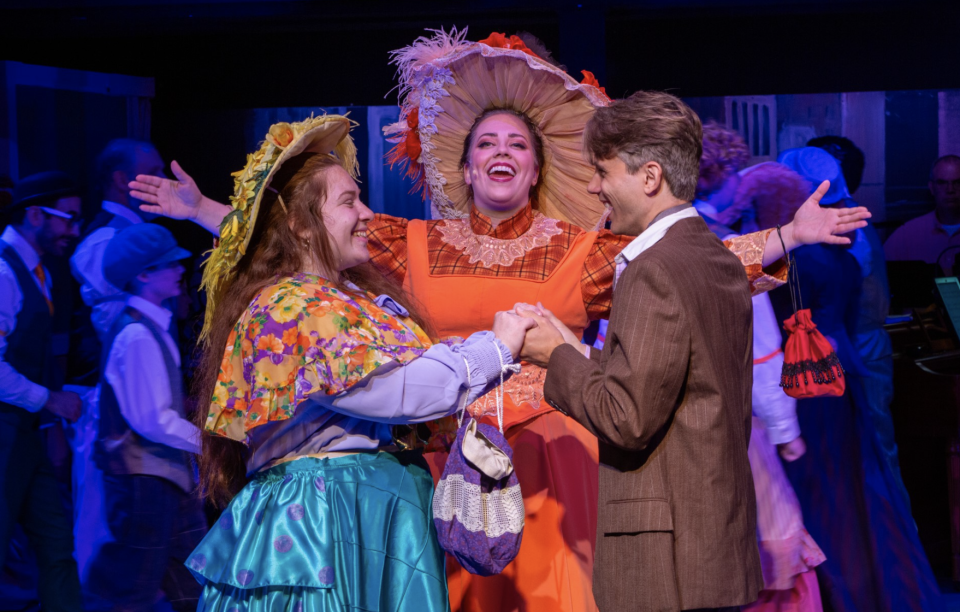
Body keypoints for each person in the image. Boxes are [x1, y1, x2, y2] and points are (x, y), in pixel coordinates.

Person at [129, 31, 869, 612]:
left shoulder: (582, 252)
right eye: (488, 143)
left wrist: (787, 238)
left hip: (557, 458)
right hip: (445, 459)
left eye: (518, 143)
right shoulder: (407, 242)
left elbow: (684, 265)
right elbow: (302, 236)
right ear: (465, 166)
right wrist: (200, 211)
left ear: (539, 167)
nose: (502, 152)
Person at [181, 115, 533, 612]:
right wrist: (492, 349)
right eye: (348, 201)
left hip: (370, 507)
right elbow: (396, 392)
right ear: (300, 225)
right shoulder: (294, 307)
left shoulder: (345, 299)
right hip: (325, 518)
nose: (368, 212)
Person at [513, 90, 769, 612]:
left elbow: (628, 417)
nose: (592, 186)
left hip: (667, 557)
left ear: (649, 177)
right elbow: (675, 385)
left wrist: (551, 358)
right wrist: (574, 348)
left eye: (603, 172)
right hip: (710, 542)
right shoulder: (713, 256)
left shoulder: (652, 269)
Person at [759, 158, 945, 612]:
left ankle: (836, 592)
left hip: (808, 375)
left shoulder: (795, 257)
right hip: (843, 366)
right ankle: (872, 589)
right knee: (857, 486)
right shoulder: (842, 246)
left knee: (819, 491)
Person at [696, 127, 826, 612]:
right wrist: (785, 429)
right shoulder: (733, 248)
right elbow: (760, 350)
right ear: (721, 176)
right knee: (768, 547)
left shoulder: (644, 242)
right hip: (734, 422)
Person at [80, 223, 206, 611]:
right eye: (168, 264)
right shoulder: (135, 335)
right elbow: (152, 420)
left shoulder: (153, 326)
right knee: (130, 588)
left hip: (165, 477)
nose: (180, 269)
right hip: (143, 481)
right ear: (143, 275)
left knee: (192, 578)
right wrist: (210, 442)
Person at [788, 143, 903, 496]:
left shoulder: (845, 227)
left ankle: (890, 543)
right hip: (847, 351)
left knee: (874, 456)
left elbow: (846, 285)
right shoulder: (839, 223)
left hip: (857, 350)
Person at [0, 171, 84, 612]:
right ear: (35, 214)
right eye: (67, 219)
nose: (74, 230)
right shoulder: (3, 272)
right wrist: (49, 401)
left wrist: (49, 418)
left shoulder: (41, 272)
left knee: (57, 545)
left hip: (26, 436)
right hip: (5, 436)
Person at [70, 138, 169, 384]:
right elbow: (110, 324)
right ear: (122, 181)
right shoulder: (103, 240)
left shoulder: (132, 233)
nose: (164, 180)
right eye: (153, 172)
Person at [884, 154, 960, 275]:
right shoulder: (906, 236)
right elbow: (879, 278)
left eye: (957, 182)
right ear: (932, 187)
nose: (950, 189)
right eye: (942, 183)